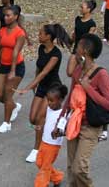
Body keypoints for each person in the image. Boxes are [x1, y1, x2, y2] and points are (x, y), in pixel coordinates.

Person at [57, 33, 109, 187]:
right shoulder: (78, 70)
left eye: (79, 46)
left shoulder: (101, 74)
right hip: (74, 123)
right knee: (71, 167)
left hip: (91, 126)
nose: (76, 48)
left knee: (79, 168)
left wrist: (88, 87)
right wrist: (61, 120)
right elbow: (71, 97)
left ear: (86, 50)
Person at [16, 23, 70, 163]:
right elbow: (39, 69)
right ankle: (47, 127)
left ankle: (37, 149)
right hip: (41, 86)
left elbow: (46, 72)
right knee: (32, 118)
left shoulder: (56, 54)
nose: (38, 35)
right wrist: (35, 85)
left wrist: (27, 87)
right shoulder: (41, 48)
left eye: (41, 33)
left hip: (53, 88)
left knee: (39, 117)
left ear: (48, 37)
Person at [0, 5, 27, 133]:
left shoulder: (20, 33)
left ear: (16, 17)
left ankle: (6, 123)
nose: (5, 17)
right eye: (5, 15)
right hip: (4, 65)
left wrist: (13, 71)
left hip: (16, 67)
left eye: (8, 15)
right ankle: (14, 106)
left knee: (8, 94)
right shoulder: (3, 30)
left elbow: (16, 52)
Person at [28, 84, 68, 187]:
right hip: (44, 142)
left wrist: (59, 133)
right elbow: (46, 120)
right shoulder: (50, 109)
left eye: (51, 101)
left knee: (44, 168)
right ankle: (57, 177)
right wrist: (41, 126)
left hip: (53, 145)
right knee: (39, 162)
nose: (49, 103)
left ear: (60, 100)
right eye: (48, 100)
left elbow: (66, 130)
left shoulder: (63, 114)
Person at [66, 0, 98, 77]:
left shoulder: (92, 24)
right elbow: (75, 33)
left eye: (82, 7)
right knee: (69, 72)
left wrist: (84, 55)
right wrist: (70, 42)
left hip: (85, 53)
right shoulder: (77, 19)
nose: (80, 9)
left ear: (88, 9)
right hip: (76, 49)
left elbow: (88, 40)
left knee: (82, 75)